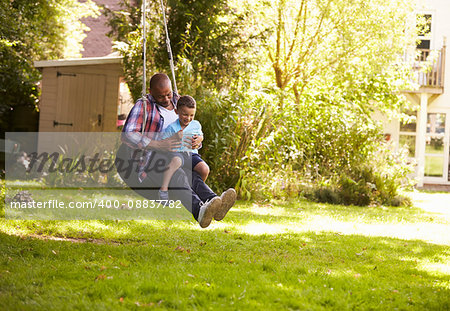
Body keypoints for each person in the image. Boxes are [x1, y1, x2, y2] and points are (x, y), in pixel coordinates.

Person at [119, 73, 236, 228]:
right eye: (161, 97)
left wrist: (198, 141)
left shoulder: (178, 101)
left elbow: (192, 126)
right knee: (179, 173)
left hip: (183, 155)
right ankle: (198, 210)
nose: (167, 99)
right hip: (154, 159)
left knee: (194, 174)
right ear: (151, 92)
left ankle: (215, 202)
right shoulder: (144, 105)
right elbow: (128, 134)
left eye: (169, 94)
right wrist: (159, 145)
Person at [159, 95, 209, 201]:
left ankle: (196, 192)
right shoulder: (172, 127)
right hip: (177, 153)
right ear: (177, 112)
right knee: (176, 161)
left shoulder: (196, 125)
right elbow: (163, 142)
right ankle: (163, 188)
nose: (188, 118)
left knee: (204, 169)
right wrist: (174, 137)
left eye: (192, 115)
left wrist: (200, 139)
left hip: (192, 154)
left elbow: (201, 135)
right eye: (185, 114)